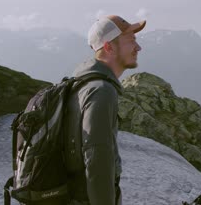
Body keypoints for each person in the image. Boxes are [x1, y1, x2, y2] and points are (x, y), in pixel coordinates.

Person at [63, 15, 146, 205]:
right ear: (109, 47)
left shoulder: (83, 83)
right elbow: (97, 161)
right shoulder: (101, 91)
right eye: (131, 40)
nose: (138, 47)